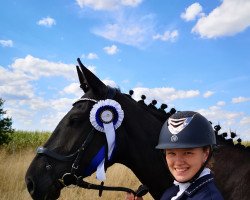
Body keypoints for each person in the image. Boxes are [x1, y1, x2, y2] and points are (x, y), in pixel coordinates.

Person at [126, 111, 223, 200]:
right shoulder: (173, 191)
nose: (178, 162)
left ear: (205, 154)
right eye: (171, 153)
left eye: (188, 153)